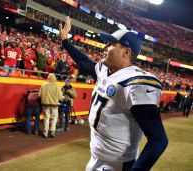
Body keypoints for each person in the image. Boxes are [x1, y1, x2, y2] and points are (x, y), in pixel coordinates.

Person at [59, 16, 168, 170]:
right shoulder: (105, 70)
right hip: (96, 156)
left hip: (117, 165)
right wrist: (65, 41)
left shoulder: (135, 83)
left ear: (126, 52)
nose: (105, 47)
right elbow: (86, 64)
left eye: (111, 44)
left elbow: (158, 139)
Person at [39, 73, 63, 138]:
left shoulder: (43, 85)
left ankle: (45, 133)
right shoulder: (57, 86)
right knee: (54, 118)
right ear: (55, 78)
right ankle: (52, 131)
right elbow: (60, 97)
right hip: (55, 105)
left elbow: (39, 95)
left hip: (46, 105)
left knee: (46, 118)